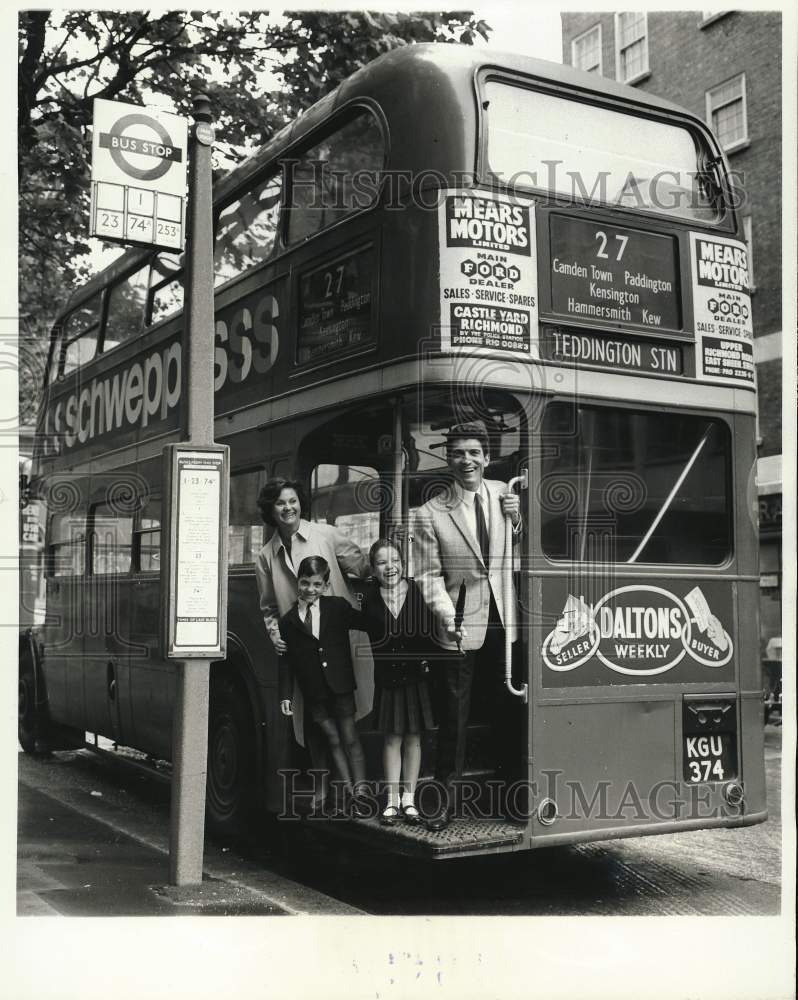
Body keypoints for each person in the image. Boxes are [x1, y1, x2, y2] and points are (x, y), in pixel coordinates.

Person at [413, 421, 523, 830]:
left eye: (474, 453)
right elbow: (426, 575)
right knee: (453, 716)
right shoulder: (430, 513)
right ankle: (444, 801)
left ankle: (512, 797)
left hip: (505, 620)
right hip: (459, 624)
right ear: (449, 459)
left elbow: (519, 554)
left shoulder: (506, 495)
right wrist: (446, 616)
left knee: (509, 709)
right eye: (459, 453)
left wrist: (519, 522)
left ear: (487, 457)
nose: (467, 460)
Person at [254, 477, 372, 814]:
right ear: (271, 510)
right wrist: (274, 634)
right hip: (300, 649)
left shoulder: (326, 535)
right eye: (280, 503)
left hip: (337, 645)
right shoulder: (266, 556)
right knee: (314, 724)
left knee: (345, 721)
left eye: (293, 501)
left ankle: (354, 790)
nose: (288, 508)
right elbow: (268, 607)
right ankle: (323, 787)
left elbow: (362, 567)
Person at [278, 556, 369, 816]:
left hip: (340, 686)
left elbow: (367, 622)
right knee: (332, 738)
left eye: (317, 584)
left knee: (350, 737)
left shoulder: (337, 607)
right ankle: (351, 793)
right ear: (298, 582)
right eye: (305, 583)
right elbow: (285, 662)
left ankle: (361, 792)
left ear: (326, 585)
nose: (310, 589)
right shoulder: (287, 622)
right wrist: (285, 695)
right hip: (314, 692)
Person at [360, 539, 436, 826]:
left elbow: (430, 633)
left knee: (414, 738)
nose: (389, 567)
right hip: (388, 680)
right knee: (392, 738)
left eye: (394, 560)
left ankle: (409, 800)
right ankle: (391, 802)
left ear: (402, 564)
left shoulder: (417, 592)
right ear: (373, 569)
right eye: (381, 562)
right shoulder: (369, 598)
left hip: (415, 679)